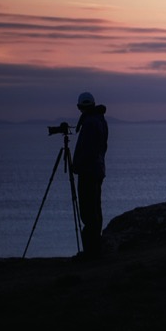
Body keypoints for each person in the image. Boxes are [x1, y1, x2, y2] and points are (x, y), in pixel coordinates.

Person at [72, 91, 108, 257]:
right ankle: (94, 248)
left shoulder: (91, 123)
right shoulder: (98, 120)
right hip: (96, 170)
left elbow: (89, 150)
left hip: (89, 172)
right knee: (94, 208)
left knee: (88, 211)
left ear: (79, 106)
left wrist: (77, 165)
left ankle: (91, 251)